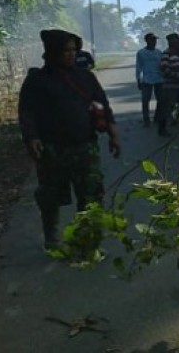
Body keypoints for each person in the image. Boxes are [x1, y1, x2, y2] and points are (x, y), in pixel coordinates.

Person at [18, 29, 121, 250]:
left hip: (86, 146)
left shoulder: (85, 77)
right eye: (66, 51)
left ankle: (89, 240)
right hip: (52, 149)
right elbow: (27, 112)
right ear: (52, 52)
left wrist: (113, 136)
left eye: (74, 50)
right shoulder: (37, 81)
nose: (71, 55)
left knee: (92, 194)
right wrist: (31, 138)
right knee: (50, 196)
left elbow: (103, 106)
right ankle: (52, 238)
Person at [135, 33, 163, 127]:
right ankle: (146, 120)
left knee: (161, 99)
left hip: (159, 79)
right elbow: (138, 67)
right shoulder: (141, 53)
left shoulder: (159, 52)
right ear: (147, 41)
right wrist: (138, 79)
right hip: (146, 79)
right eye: (152, 40)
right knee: (145, 100)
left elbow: (162, 65)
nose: (154, 42)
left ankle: (157, 118)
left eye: (155, 40)